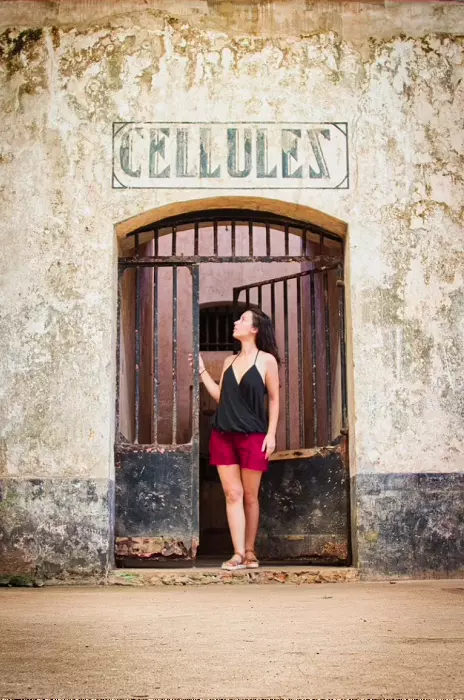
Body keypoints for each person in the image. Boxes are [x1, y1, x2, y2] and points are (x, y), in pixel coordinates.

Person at [189, 308, 280, 570]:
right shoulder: (229, 361)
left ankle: (250, 551)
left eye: (242, 319)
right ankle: (238, 553)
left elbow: (274, 399)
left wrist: (271, 434)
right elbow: (222, 397)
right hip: (223, 434)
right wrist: (203, 371)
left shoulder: (267, 361)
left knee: (250, 496)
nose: (235, 321)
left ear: (255, 329)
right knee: (232, 493)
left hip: (253, 436)